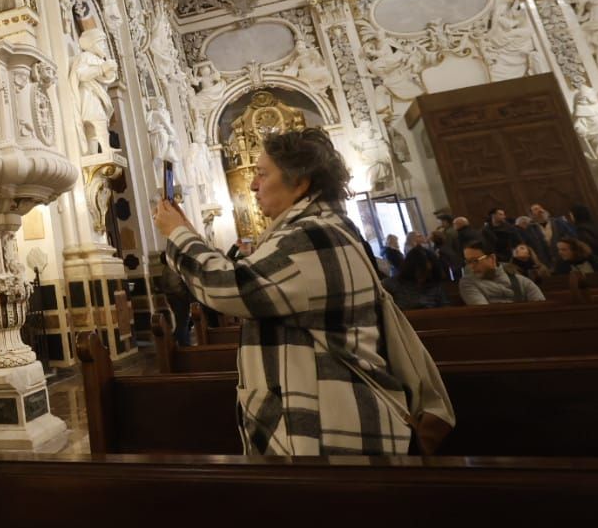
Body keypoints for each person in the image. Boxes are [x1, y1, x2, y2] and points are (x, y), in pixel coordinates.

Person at [154, 127, 445, 456]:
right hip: (326, 420)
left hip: (331, 434)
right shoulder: (323, 228)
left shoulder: (313, 236)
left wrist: (177, 234)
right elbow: (251, 279)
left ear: (300, 182)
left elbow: (228, 287)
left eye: (262, 174)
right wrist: (186, 232)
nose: (253, 185)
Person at [460, 243, 546, 304]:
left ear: (492, 258)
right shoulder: (468, 283)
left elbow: (541, 310)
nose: (471, 266)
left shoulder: (523, 282)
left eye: (475, 261)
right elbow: (484, 313)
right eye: (468, 262)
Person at [384, 246, 449, 310]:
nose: (426, 276)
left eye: (429, 272)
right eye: (422, 271)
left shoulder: (435, 286)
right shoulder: (392, 284)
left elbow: (445, 310)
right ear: (411, 269)